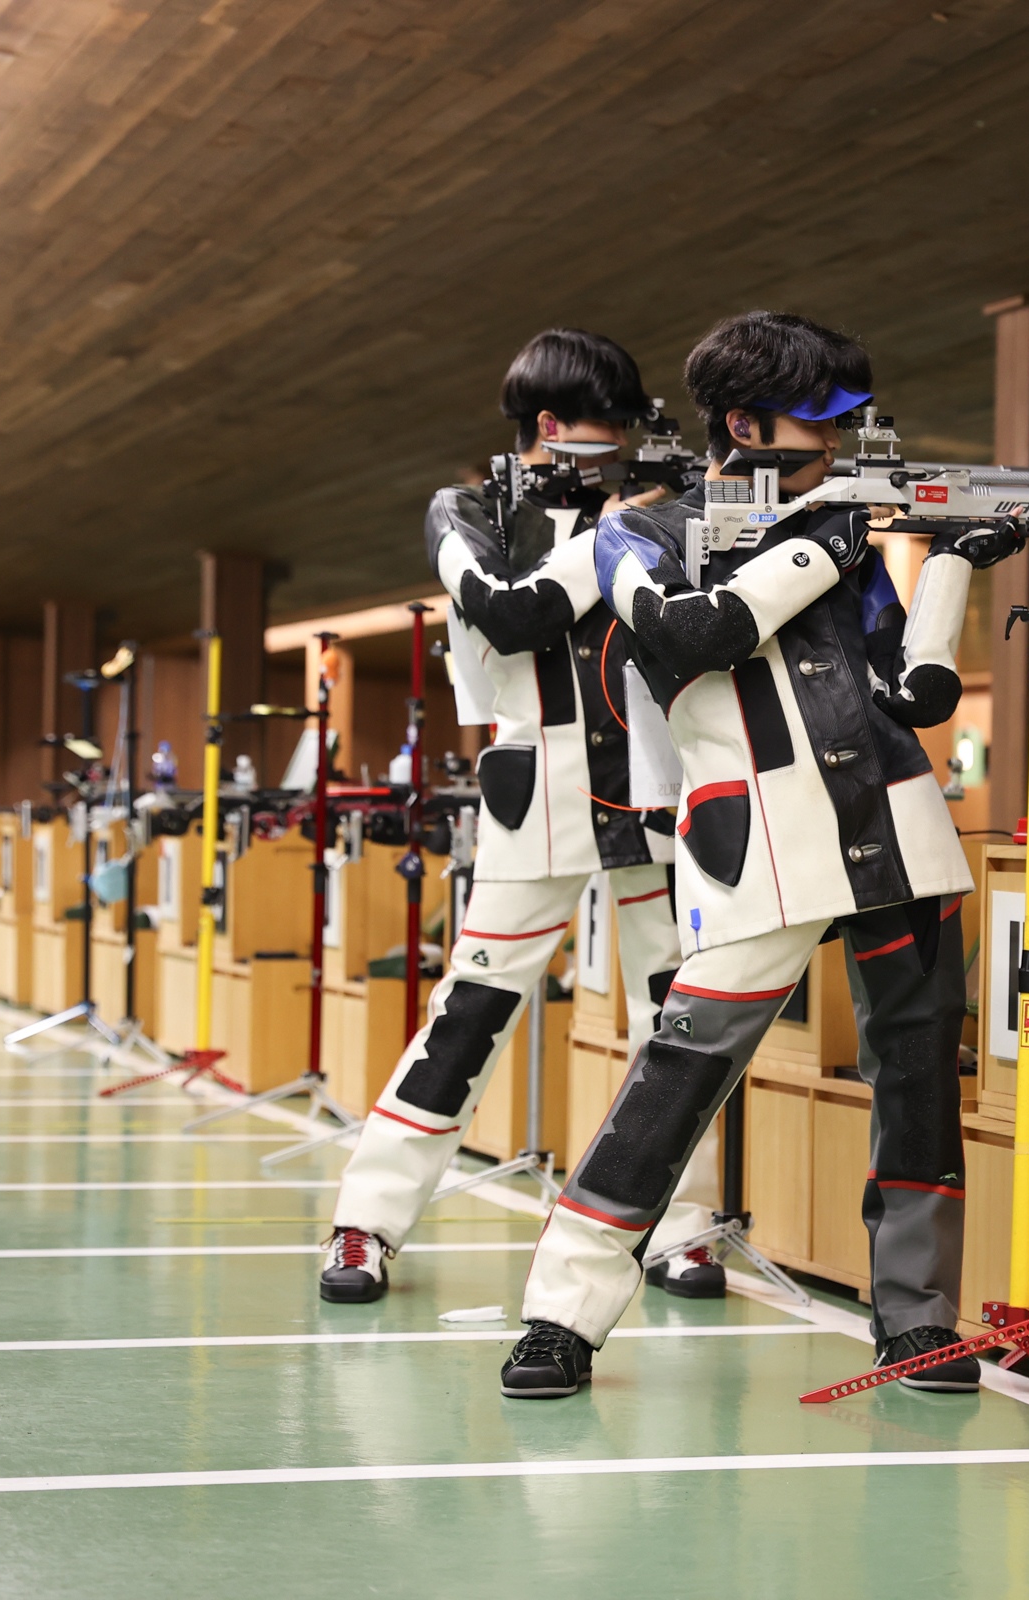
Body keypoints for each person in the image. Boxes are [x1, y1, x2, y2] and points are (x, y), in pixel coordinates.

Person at [499, 311, 1025, 1398]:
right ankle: (561, 1313)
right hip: (761, 843)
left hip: (899, 829)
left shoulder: (839, 535)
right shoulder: (640, 535)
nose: (837, 442)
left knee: (921, 1079)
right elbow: (695, 633)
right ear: (743, 425)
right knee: (678, 1073)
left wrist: (950, 567)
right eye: (817, 420)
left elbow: (914, 692)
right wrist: (825, 543)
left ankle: (918, 1320)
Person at [319, 329, 724, 1305]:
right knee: (471, 1011)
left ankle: (684, 1226)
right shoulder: (468, 510)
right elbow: (507, 613)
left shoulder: (654, 506)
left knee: (676, 1019)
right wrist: (627, 531)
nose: (616, 447)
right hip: (537, 790)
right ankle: (365, 1222)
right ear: (549, 424)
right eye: (601, 429)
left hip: (650, 787)